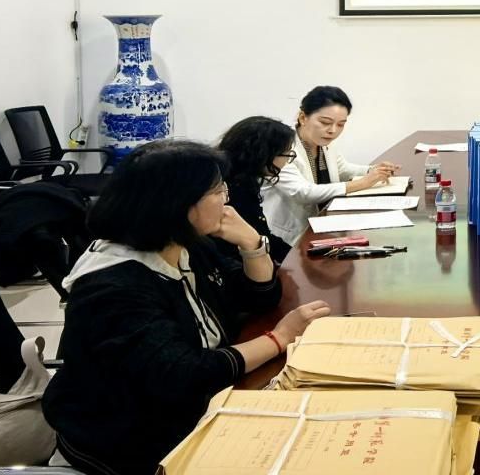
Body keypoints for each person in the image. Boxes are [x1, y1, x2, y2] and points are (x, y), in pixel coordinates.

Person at [42, 140, 332, 475]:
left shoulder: (183, 245)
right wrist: (278, 338)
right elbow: (185, 376)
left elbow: (257, 298)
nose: (226, 198)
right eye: (217, 191)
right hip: (129, 442)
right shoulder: (113, 287)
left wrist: (252, 244)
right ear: (177, 203)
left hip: (194, 407)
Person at [263, 85, 399, 246]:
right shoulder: (283, 147)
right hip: (288, 239)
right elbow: (303, 192)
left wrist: (373, 170)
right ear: (303, 117)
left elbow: (342, 169)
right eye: (325, 122)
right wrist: (363, 183)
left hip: (324, 226)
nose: (333, 130)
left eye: (341, 124)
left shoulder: (323, 143)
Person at [217, 116, 296, 263]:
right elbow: (258, 238)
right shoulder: (234, 190)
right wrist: (298, 258)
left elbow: (262, 235)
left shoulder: (239, 179)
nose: (287, 160)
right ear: (264, 154)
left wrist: (298, 256)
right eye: (286, 153)